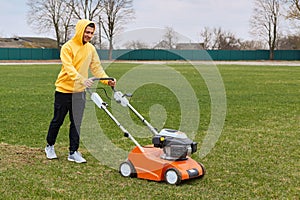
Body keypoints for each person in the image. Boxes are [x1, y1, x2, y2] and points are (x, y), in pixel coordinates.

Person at [45, 19, 116, 163]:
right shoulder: (67, 47)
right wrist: (81, 79)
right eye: (87, 32)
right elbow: (69, 68)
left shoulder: (90, 49)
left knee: (76, 122)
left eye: (91, 33)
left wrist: (107, 80)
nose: (89, 35)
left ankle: (73, 152)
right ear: (80, 31)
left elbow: (96, 68)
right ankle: (50, 146)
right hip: (63, 91)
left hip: (79, 92)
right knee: (57, 120)